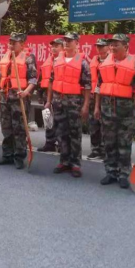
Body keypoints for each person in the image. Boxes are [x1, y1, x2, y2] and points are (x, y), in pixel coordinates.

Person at [94, 34, 135, 189]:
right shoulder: (105, 62)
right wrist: (97, 107)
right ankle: (110, 172)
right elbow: (98, 86)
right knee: (109, 142)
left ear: (125, 46)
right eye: (111, 44)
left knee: (124, 144)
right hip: (106, 109)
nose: (112, 47)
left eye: (116, 44)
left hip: (126, 111)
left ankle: (124, 173)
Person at [45, 32, 91, 178]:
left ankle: (75, 164)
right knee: (61, 133)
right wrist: (48, 100)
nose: (67, 43)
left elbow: (88, 86)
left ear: (77, 43)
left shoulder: (83, 62)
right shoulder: (57, 60)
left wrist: (85, 106)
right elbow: (51, 82)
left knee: (75, 134)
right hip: (58, 102)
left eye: (70, 41)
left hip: (74, 104)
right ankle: (64, 161)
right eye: (65, 40)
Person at [0, 32, 38, 169]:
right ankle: (7, 155)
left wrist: (26, 92)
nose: (11, 45)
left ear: (22, 44)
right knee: (6, 128)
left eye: (14, 43)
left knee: (19, 129)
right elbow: (1, 78)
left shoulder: (28, 58)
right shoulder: (6, 56)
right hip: (5, 97)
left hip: (19, 98)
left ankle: (19, 156)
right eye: (10, 42)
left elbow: (33, 79)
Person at [38, 37, 64, 152]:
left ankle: (61, 143)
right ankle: (49, 142)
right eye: (52, 46)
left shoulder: (64, 61)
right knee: (48, 119)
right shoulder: (49, 60)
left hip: (60, 95)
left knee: (60, 120)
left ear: (63, 48)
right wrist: (40, 94)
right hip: (46, 95)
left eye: (56, 46)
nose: (53, 48)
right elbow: (42, 77)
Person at [87, 38, 109, 160]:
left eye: (102, 46)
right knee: (93, 124)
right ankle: (96, 150)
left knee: (106, 125)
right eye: (98, 46)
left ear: (108, 47)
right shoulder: (93, 61)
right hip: (93, 96)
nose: (100, 48)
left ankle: (106, 150)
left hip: (106, 97)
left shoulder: (112, 61)